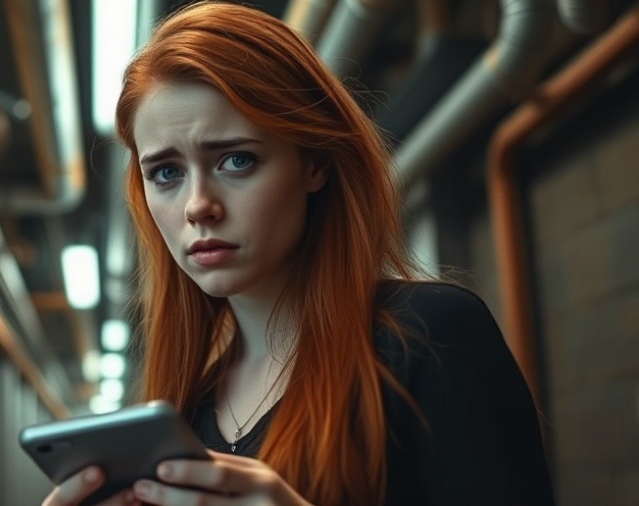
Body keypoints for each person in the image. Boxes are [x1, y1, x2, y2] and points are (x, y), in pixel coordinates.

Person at [43, 1, 555, 504]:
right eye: (166, 173)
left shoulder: (429, 337)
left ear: (314, 164)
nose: (198, 206)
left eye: (236, 160)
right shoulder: (186, 412)